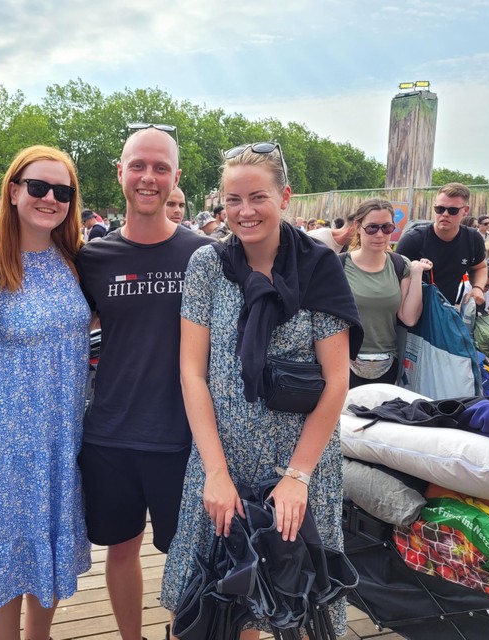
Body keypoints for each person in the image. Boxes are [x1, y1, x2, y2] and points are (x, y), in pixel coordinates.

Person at [160, 141, 363, 638]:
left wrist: (298, 476)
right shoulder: (207, 266)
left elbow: (338, 380)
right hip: (222, 454)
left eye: (257, 197)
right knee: (223, 602)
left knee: (299, 600)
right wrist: (215, 472)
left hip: (298, 459)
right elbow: (193, 372)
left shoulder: (319, 267)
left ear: (285, 197)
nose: (244, 211)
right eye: (233, 200)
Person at [0, 145, 91, 638]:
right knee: (8, 548)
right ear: (13, 190)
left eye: (62, 191)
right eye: (38, 186)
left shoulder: (73, 260)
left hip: (61, 435)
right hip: (3, 440)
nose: (50, 197)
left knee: (45, 544)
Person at [76, 125, 213, 640]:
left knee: (192, 555)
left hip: (184, 436)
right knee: (121, 548)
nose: (148, 177)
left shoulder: (206, 256)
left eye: (160, 168)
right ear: (120, 173)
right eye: (138, 165)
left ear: (176, 177)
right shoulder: (93, 259)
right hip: (110, 432)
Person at [341, 199, 430, 388]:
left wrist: (416, 273)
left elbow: (409, 318)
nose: (380, 234)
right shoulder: (338, 265)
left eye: (387, 228)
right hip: (342, 360)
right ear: (358, 227)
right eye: (372, 227)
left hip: (388, 362)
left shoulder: (400, 265)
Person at [396, 183, 487, 307]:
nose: (445, 214)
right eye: (439, 209)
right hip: (410, 313)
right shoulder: (413, 240)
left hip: (444, 312)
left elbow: (480, 267)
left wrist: (478, 288)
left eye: (452, 210)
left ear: (465, 211)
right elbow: (394, 279)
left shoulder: (472, 239)